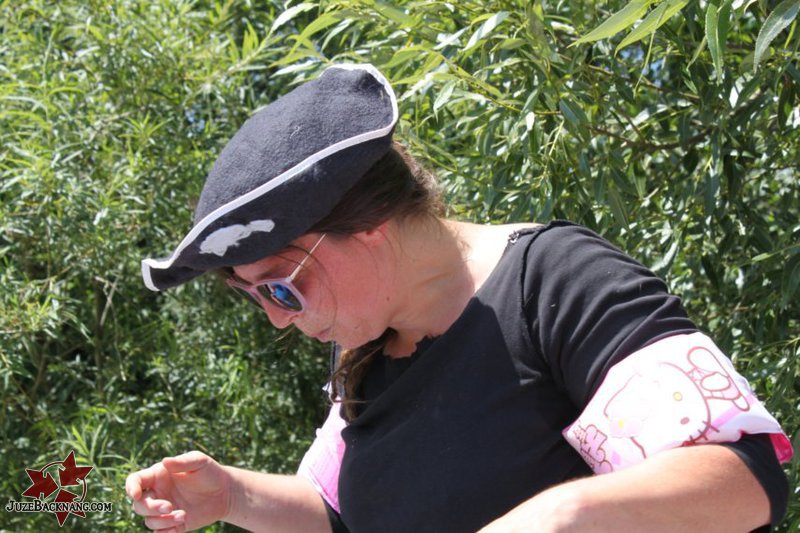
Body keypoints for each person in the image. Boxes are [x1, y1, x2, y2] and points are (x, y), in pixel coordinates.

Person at [127, 64, 792, 533]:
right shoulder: (367, 351)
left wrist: (560, 516)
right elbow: (341, 512)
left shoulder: (552, 282)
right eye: (255, 296)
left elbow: (744, 478)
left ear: (369, 221)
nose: (277, 315)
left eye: (282, 284)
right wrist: (233, 496)